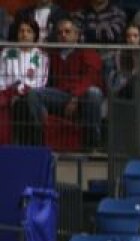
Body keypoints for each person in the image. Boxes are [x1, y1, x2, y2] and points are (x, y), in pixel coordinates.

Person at [26, 17, 103, 148]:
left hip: (81, 95)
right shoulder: (52, 54)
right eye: (60, 32)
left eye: (67, 32)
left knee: (94, 93)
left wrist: (75, 97)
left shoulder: (88, 52)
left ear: (76, 35)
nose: (63, 35)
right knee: (33, 94)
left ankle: (91, 143)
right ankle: (46, 136)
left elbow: (91, 78)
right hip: (60, 94)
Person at [0, 18, 47, 145]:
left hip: (32, 95)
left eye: (29, 31)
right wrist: (11, 91)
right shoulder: (7, 52)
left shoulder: (41, 56)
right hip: (9, 93)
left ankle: (33, 145)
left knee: (25, 103)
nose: (24, 34)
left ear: (35, 35)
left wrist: (21, 89)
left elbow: (41, 81)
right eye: (21, 31)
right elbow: (1, 77)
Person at [105, 24, 140, 101]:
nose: (132, 39)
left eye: (135, 36)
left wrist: (139, 89)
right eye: (128, 36)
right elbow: (121, 76)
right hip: (127, 89)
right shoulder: (120, 54)